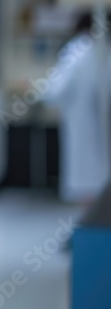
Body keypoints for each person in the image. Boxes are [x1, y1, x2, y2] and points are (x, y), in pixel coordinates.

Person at [44, 12, 111, 203]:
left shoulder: (77, 50)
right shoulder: (103, 49)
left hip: (82, 126)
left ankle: (92, 225)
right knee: (98, 180)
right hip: (99, 128)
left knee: (87, 184)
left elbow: (55, 91)